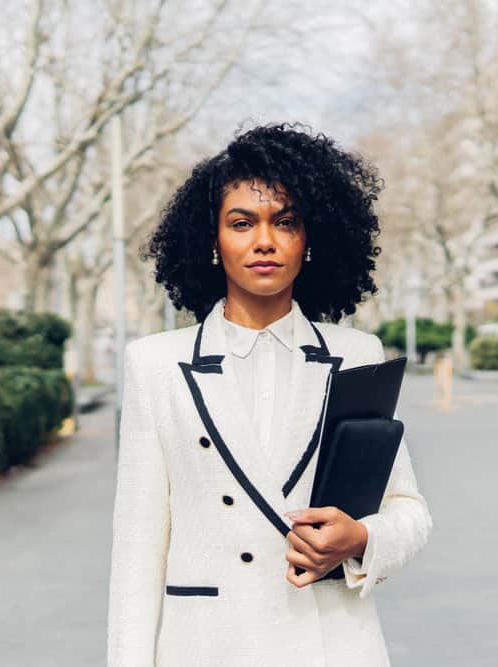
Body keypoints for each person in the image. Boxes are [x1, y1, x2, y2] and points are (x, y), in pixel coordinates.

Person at [107, 123, 432, 667]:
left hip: (330, 644)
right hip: (207, 646)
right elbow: (137, 550)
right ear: (212, 240)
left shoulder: (357, 353)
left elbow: (409, 512)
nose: (264, 240)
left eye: (286, 222)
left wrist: (359, 538)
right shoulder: (155, 363)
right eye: (241, 223)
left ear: (311, 240)